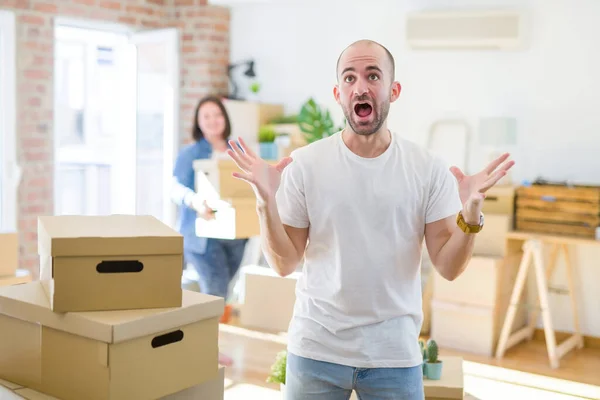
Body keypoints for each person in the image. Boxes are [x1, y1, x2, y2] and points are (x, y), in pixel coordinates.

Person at [227, 39, 514, 399]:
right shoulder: (306, 165)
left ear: (393, 90)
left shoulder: (427, 169)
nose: (360, 86)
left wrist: (471, 216)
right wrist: (265, 204)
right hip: (315, 351)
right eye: (349, 78)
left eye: (372, 75)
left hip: (394, 357)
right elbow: (284, 264)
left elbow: (449, 267)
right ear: (338, 93)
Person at [171, 95, 248, 367]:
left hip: (235, 236)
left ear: (225, 118)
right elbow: (176, 188)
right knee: (214, 290)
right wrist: (195, 201)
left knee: (220, 293)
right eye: (206, 116)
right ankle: (205, 350)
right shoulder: (190, 153)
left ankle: (199, 344)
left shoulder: (236, 149)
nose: (213, 120)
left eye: (217, 114)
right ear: (198, 123)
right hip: (202, 237)